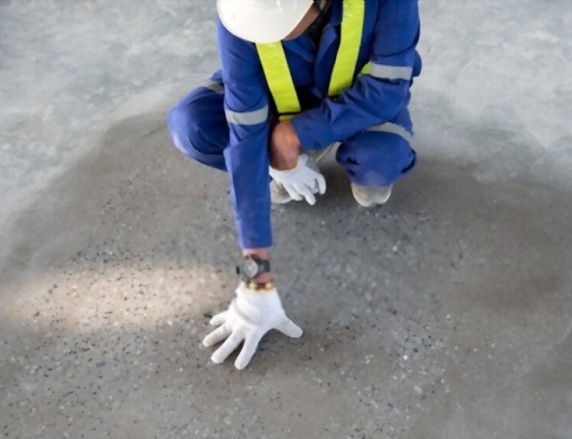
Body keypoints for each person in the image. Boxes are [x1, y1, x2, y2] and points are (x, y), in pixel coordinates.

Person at [167, 0, 421, 370]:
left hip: (361, 103)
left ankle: (308, 148)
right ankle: (281, 162)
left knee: (377, 167)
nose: (270, 34)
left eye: (278, 23)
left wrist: (293, 135)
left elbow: (387, 89)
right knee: (192, 126)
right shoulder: (240, 14)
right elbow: (244, 132)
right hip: (280, 102)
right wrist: (257, 277)